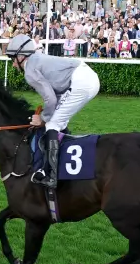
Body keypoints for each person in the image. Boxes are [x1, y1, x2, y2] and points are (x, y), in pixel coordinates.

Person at [5, 33, 100, 196]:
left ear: (21, 56)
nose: (14, 64)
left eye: (13, 59)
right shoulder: (36, 59)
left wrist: (42, 119)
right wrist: (45, 116)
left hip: (81, 82)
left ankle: (52, 176)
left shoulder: (29, 70)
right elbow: (53, 97)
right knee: (58, 122)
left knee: (52, 124)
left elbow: (49, 98)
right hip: (84, 78)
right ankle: (62, 160)